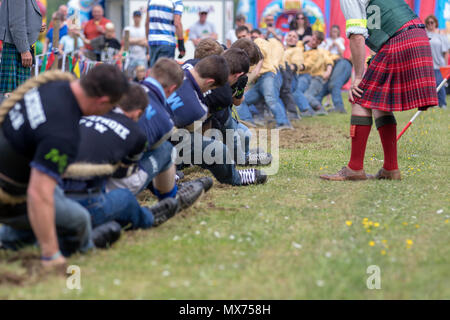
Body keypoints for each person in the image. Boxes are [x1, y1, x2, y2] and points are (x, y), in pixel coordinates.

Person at [0, 65, 129, 269]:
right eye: (110, 108)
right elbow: (38, 194)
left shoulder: (53, 84)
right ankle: (81, 251)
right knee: (80, 220)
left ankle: (10, 238)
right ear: (103, 101)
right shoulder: (64, 134)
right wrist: (50, 255)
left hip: (14, 168)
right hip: (9, 197)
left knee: (56, 192)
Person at [321, 0, 438, 181]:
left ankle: (355, 168)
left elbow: (357, 36)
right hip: (417, 35)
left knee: (360, 96)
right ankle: (391, 169)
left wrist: (358, 77)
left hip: (398, 39)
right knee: (379, 101)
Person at [61, 83, 183, 233]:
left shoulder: (89, 114)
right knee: (165, 151)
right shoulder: (137, 134)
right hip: (88, 201)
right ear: (137, 113)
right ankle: (152, 214)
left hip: (52, 194)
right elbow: (125, 175)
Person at [170, 55, 268, 186]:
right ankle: (235, 177)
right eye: (212, 89)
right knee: (216, 149)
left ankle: (169, 171)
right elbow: (186, 138)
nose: (210, 92)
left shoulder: (172, 71)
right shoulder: (196, 108)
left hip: (141, 129)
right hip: (156, 143)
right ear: (210, 82)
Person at [0, 0, 45, 96]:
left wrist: (35, 26)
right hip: (15, 47)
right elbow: (16, 23)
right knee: (12, 98)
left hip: (17, 46)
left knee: (19, 97)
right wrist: (24, 50)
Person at [146, 0, 185, 66]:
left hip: (153, 42)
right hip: (167, 42)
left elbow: (147, 23)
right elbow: (177, 23)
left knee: (154, 72)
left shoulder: (151, 1)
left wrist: (148, 40)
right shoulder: (177, 2)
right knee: (165, 73)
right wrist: (181, 46)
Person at [425, 15, 450, 109]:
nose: (430, 24)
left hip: (439, 65)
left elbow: (446, 51)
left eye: (432, 22)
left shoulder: (440, 35)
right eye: (428, 23)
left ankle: (442, 103)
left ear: (435, 23)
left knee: (439, 83)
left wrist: (446, 65)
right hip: (428, 65)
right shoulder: (425, 34)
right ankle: (433, 104)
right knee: (430, 85)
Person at [124, 10, 148, 77]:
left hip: (142, 57)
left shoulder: (144, 29)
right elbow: (126, 43)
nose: (137, 18)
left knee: (142, 77)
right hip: (130, 57)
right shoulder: (127, 29)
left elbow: (146, 43)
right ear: (133, 17)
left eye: (138, 17)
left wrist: (132, 40)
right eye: (135, 17)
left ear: (141, 18)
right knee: (129, 77)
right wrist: (141, 40)